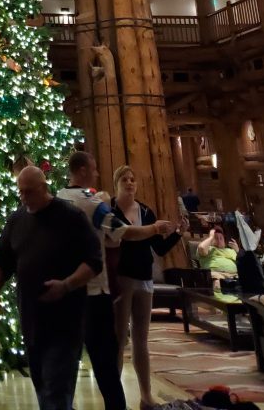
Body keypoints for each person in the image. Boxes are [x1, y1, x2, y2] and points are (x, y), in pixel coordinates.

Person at [57, 152, 173, 410]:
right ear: (84, 170)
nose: (97, 174)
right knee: (106, 357)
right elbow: (123, 232)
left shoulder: (59, 198)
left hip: (67, 288)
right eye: (94, 169)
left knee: (69, 352)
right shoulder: (92, 203)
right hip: (95, 289)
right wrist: (154, 229)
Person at [0, 166, 102, 410]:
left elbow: (93, 261)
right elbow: (1, 261)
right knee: (43, 388)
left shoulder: (71, 217)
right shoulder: (17, 220)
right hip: (32, 322)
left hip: (65, 322)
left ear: (44, 187)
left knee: (55, 392)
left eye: (29, 192)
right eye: (20, 192)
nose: (24, 197)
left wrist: (67, 285)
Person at [111, 165, 185, 410]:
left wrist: (178, 234)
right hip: (122, 276)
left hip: (144, 277)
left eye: (133, 179)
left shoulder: (145, 210)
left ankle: (146, 395)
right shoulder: (111, 210)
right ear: (117, 183)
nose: (130, 183)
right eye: (125, 179)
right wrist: (151, 230)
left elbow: (159, 248)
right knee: (120, 338)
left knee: (142, 339)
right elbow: (123, 237)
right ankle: (115, 396)